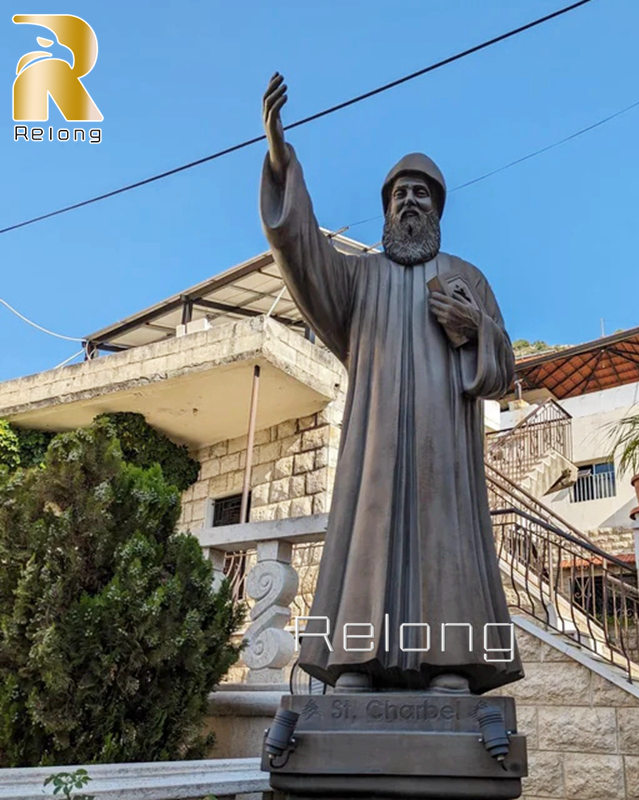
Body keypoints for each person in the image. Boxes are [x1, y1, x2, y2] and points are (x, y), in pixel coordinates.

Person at [260, 73, 522, 694]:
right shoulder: (359, 279)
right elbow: (301, 251)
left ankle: (451, 666)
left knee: (446, 544)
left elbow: (506, 368)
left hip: (444, 452)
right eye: (400, 193)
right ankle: (357, 665)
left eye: (422, 195)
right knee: (366, 538)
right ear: (385, 208)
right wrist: (279, 157)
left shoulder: (468, 277)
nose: (410, 202)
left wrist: (475, 326)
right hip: (374, 446)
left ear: (438, 209)